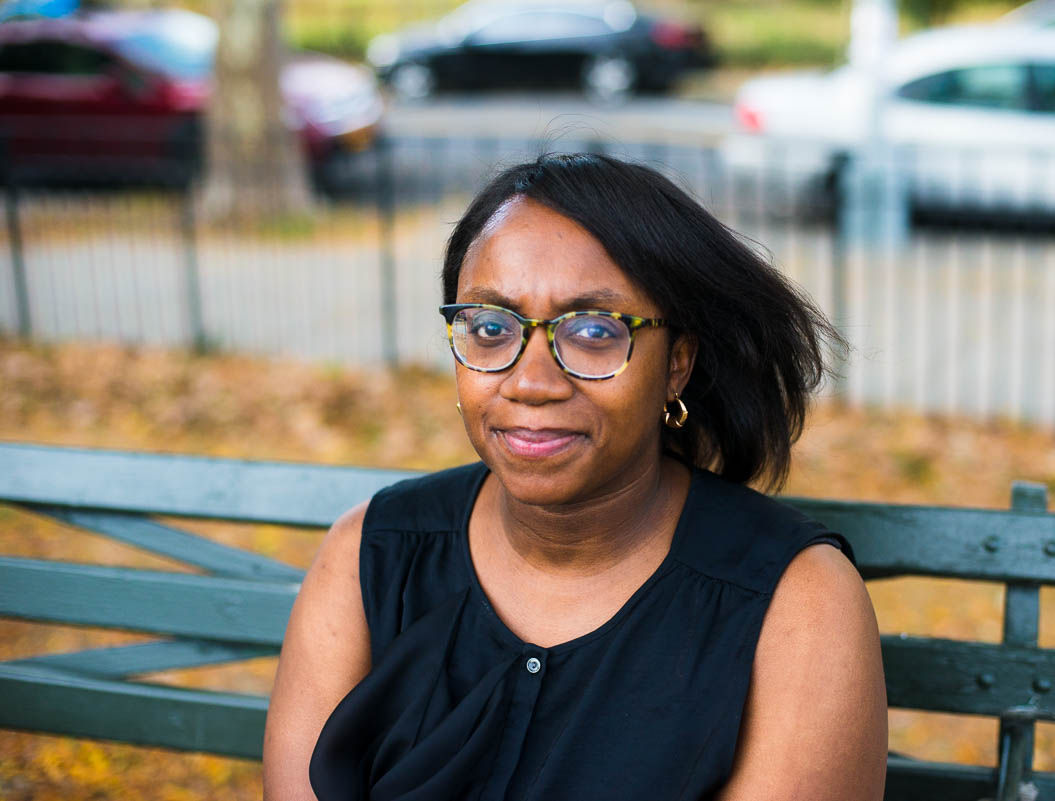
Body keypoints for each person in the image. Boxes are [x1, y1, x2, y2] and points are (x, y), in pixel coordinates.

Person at [262, 153, 888, 801]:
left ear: (677, 363)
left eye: (593, 330)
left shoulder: (797, 601)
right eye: (490, 327)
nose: (531, 381)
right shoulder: (370, 553)